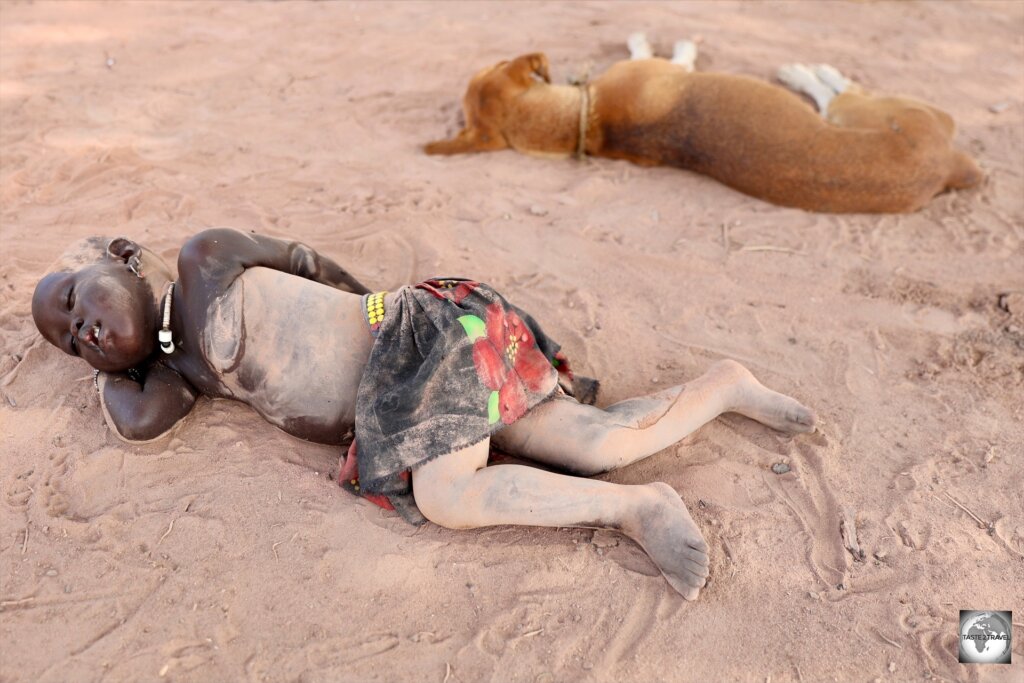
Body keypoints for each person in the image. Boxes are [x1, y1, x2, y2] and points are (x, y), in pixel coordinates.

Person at [32, 229, 816, 600]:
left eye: (75, 299)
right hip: (404, 403)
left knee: (453, 492)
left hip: (413, 335)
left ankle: (639, 508)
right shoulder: (180, 373)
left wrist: (379, 310)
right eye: (72, 342)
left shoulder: (205, 259)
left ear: (125, 256)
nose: (82, 329)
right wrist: (122, 363)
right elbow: (137, 420)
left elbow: (306, 263)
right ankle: (722, 387)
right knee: (589, 442)